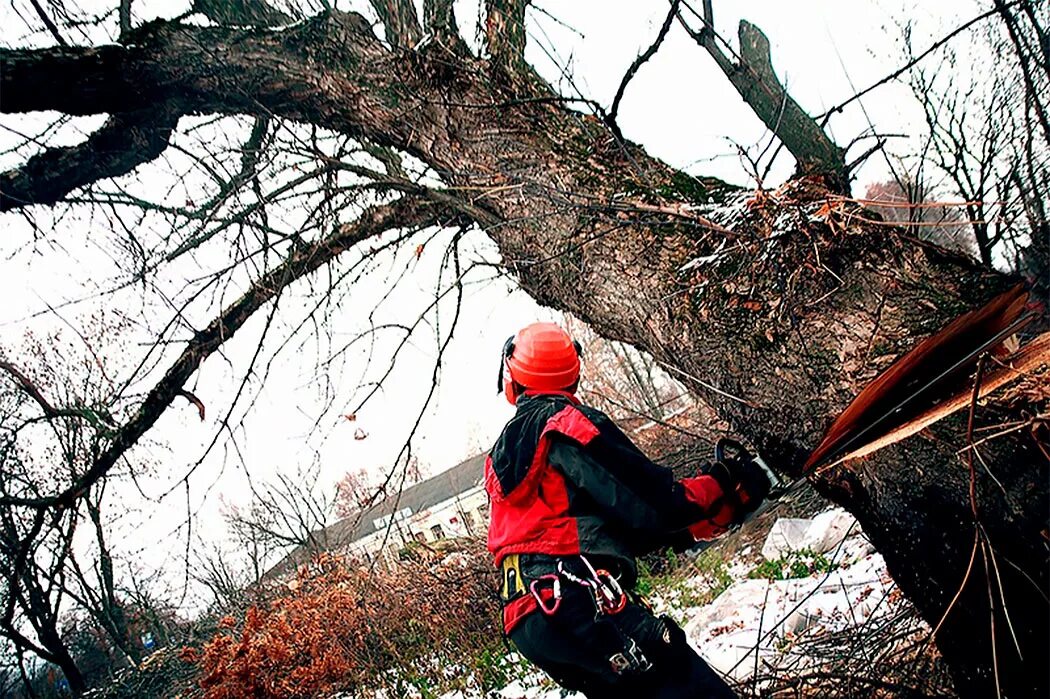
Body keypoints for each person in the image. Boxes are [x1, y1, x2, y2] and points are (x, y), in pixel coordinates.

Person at [485, 322, 771, 698]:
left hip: (528, 617)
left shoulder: (499, 457)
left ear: (513, 375)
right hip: (575, 598)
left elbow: (581, 531)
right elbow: (652, 502)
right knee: (682, 679)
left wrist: (687, 532)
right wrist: (721, 483)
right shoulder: (568, 426)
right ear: (572, 375)